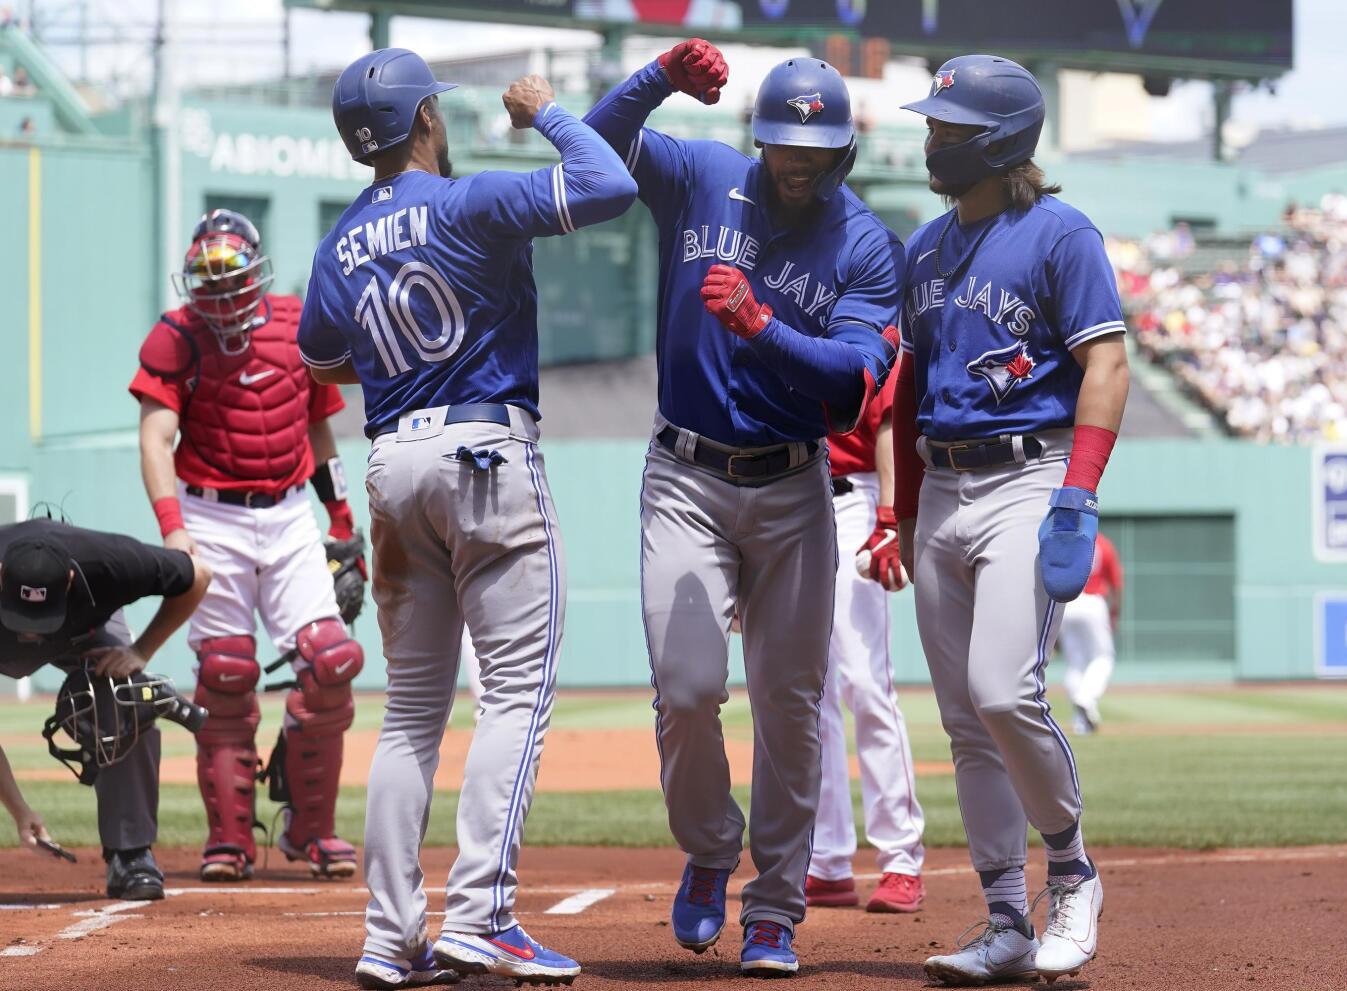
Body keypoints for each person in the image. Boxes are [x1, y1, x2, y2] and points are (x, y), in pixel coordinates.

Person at [297, 49, 636, 990]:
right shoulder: (467, 201)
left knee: (407, 716)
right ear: (424, 125)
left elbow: (321, 358)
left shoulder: (337, 244)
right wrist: (550, 115)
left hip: (393, 460)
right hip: (486, 452)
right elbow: (609, 183)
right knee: (515, 693)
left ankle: (388, 936)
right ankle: (482, 915)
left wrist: (405, 369)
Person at [584, 40, 904, 975]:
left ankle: (773, 907)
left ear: (844, 151)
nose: (796, 162)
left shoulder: (865, 243)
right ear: (757, 140)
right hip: (684, 473)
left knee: (792, 703)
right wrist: (656, 82)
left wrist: (764, 326)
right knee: (686, 691)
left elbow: (852, 384)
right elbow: (597, 149)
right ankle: (711, 846)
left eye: (815, 149)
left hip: (796, 485)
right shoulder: (702, 175)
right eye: (781, 145)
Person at [892, 56, 1129, 984]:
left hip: (1028, 478)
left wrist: (1078, 492)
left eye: (946, 130)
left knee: (1003, 690)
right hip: (940, 488)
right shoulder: (923, 248)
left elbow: (1106, 366)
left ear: (996, 143)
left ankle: (1072, 872)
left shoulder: (1061, 234)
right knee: (962, 722)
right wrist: (900, 514)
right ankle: (1003, 919)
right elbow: (909, 390)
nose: (930, 141)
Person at [130, 208, 367, 884]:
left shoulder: (298, 324)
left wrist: (342, 519)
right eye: (207, 277)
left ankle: (308, 827)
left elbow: (321, 431)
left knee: (333, 661)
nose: (222, 289)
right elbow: (155, 439)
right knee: (226, 674)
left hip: (291, 511)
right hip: (212, 516)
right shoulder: (176, 336)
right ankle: (229, 839)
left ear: (256, 270)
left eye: (232, 274)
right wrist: (174, 532)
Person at [0, 519, 211, 899]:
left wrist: (140, 651)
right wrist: (19, 811)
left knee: (123, 694)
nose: (32, 633)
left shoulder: (110, 562)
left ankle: (130, 855)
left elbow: (199, 575)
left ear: (68, 579)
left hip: (86, 630)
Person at [807, 358, 927, 914]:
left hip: (855, 498)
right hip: (790, 495)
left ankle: (901, 858)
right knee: (812, 693)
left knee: (864, 681)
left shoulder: (864, 305)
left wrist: (888, 518)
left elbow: (886, 421)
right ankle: (828, 862)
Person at [1059, 532, 1122, 734]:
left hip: (1066, 602)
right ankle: (1085, 699)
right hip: (1093, 601)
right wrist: (1114, 613)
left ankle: (1082, 723)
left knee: (1075, 662)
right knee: (1103, 658)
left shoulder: (1066, 541)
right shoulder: (1103, 543)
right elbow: (1117, 584)